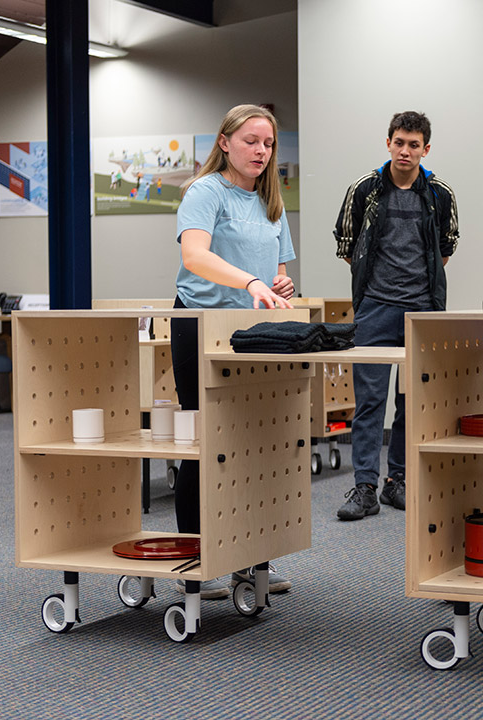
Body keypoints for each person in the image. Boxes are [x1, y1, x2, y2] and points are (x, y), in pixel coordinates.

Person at [171, 104, 297, 598]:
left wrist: (278, 284)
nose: (260, 151)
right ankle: (193, 567)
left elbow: (280, 269)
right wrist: (250, 281)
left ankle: (250, 563)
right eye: (250, 141)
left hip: (253, 329)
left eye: (267, 143)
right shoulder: (205, 192)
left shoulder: (271, 200)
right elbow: (194, 255)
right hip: (201, 326)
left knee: (253, 445)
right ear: (225, 143)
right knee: (206, 445)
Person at [333, 110, 459, 520]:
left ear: (426, 149)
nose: (405, 151)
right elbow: (349, 247)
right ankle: (364, 487)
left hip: (422, 311)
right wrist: (378, 291)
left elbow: (444, 250)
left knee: (412, 400)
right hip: (375, 308)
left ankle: (396, 481)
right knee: (370, 401)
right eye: (399, 142)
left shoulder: (439, 194)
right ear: (388, 143)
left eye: (414, 144)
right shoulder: (364, 189)